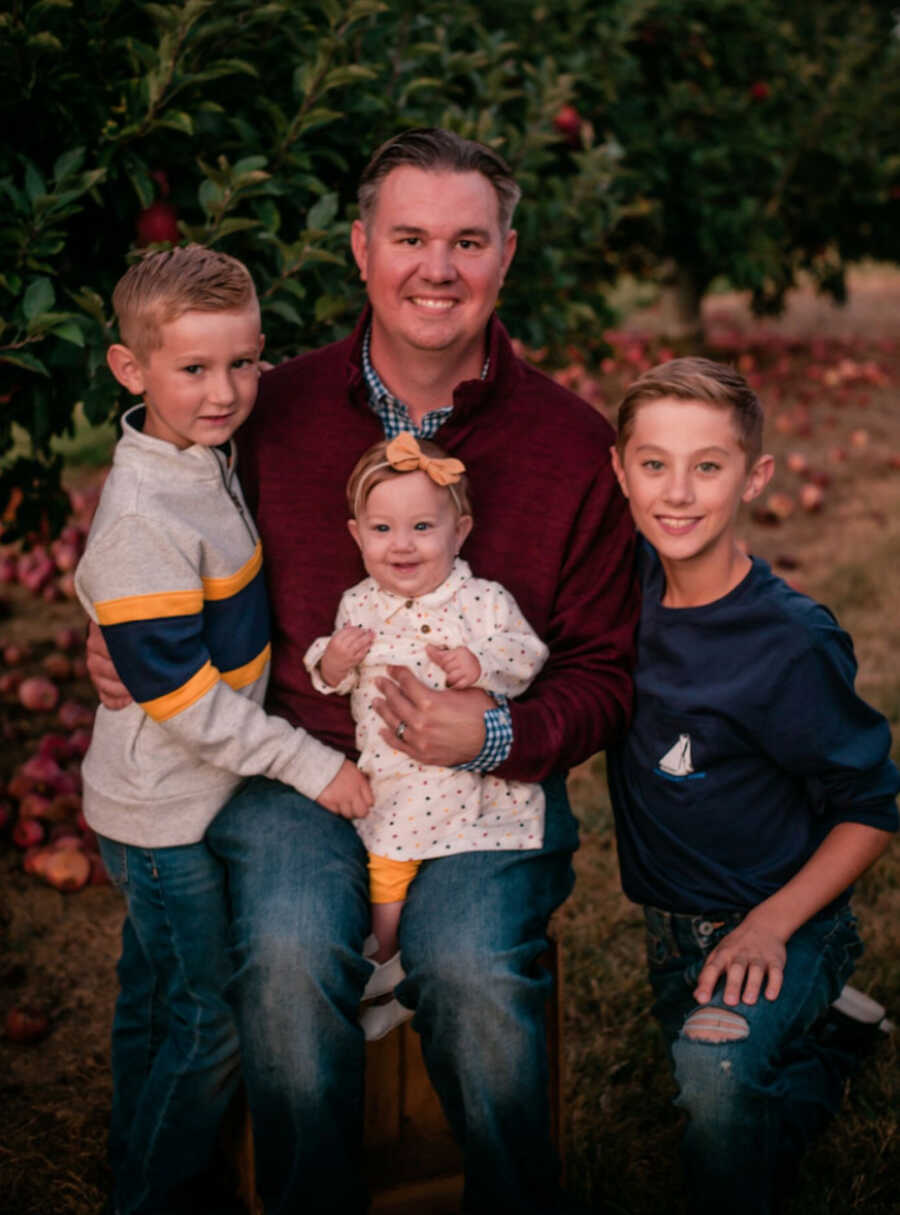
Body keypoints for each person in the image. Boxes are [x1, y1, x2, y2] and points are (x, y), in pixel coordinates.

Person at [88, 128, 639, 1214]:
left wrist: (491, 732)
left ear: (507, 257)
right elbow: (157, 534)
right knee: (291, 956)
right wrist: (127, 639)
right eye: (411, 237)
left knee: (476, 971)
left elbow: (606, 671)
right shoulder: (265, 409)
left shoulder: (573, 445)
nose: (438, 267)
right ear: (360, 249)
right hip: (300, 770)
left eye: (468, 240)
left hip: (484, 792)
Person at [75, 244, 371, 1215]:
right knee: (210, 1025)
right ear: (131, 370)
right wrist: (313, 767)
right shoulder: (144, 517)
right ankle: (151, 1194)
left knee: (154, 995)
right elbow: (192, 708)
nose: (228, 391)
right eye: (194, 369)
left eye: (245, 363)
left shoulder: (198, 455)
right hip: (164, 811)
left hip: (170, 795)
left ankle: (129, 1151)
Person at [606, 356, 899, 1215]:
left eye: (709, 465)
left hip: (783, 918)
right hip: (672, 933)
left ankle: (818, 1027)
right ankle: (833, 1040)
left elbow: (873, 805)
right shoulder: (619, 591)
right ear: (619, 472)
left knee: (715, 1084)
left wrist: (771, 925)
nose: (679, 492)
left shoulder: (791, 643)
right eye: (653, 463)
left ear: (755, 476)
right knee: (718, 1094)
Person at [305, 432, 549, 1041]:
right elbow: (329, 680)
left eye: (421, 527)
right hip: (391, 782)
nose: (402, 544)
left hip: (468, 783)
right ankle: (386, 967)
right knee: (386, 872)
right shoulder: (358, 606)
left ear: (460, 532)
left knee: (452, 898)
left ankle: (394, 974)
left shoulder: (482, 601)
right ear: (357, 536)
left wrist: (479, 665)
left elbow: (526, 654)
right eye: (381, 530)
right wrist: (335, 659)